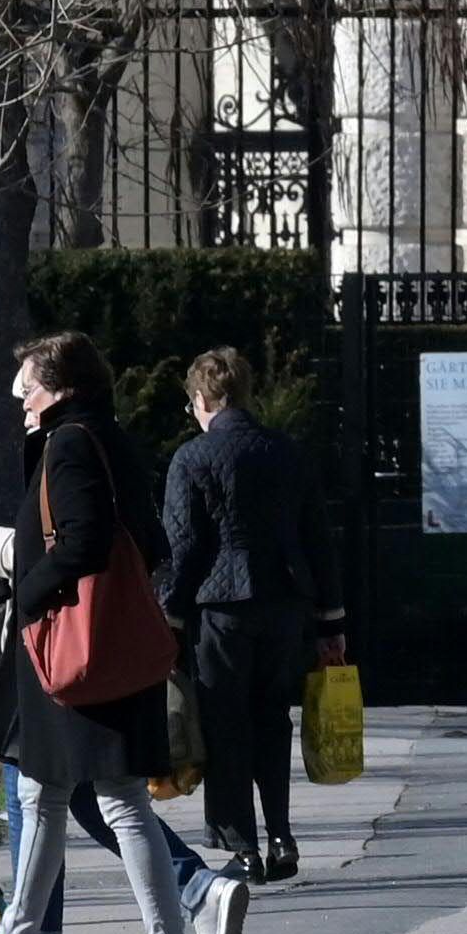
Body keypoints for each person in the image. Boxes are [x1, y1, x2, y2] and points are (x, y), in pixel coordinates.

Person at [0, 329, 250, 934]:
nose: (21, 399)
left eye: (29, 387)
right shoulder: (107, 438)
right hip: (112, 645)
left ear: (62, 389)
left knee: (102, 799)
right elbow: (149, 540)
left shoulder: (70, 443)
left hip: (79, 650)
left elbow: (83, 541)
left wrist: (26, 589)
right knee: (54, 794)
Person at [161, 346, 337, 887]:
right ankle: (281, 834)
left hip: (220, 608)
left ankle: (241, 847)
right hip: (284, 603)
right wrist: (332, 621)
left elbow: (183, 547)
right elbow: (317, 538)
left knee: (225, 724)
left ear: (200, 398)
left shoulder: (192, 458)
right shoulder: (286, 451)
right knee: (271, 719)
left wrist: (169, 616)